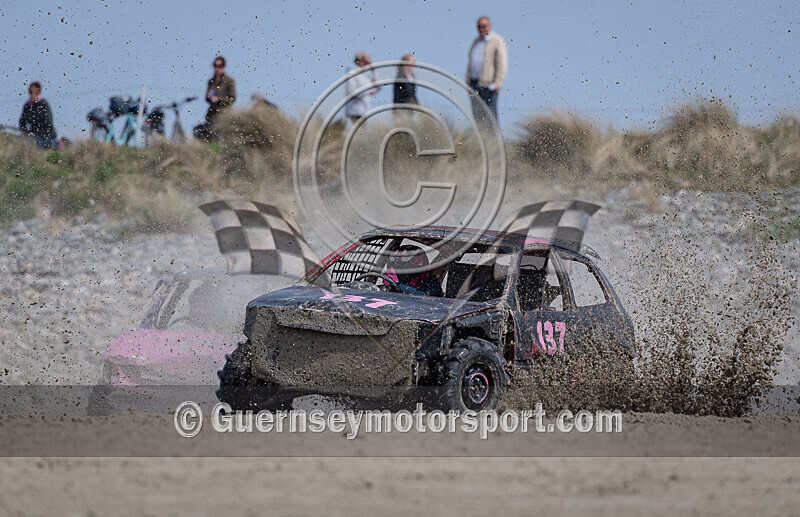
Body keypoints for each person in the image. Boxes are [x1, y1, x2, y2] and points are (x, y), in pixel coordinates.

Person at [466, 16, 508, 124]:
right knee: (477, 116)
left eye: (484, 26)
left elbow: (502, 63)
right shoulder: (476, 41)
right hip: (474, 84)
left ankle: (494, 140)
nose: (481, 29)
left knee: (490, 115)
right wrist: (467, 81)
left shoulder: (497, 40)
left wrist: (498, 82)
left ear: (489, 26)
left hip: (489, 85)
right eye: (479, 26)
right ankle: (481, 139)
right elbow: (470, 61)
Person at [202, 56, 236, 140]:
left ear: (224, 66)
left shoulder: (229, 81)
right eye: (215, 65)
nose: (217, 68)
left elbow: (232, 98)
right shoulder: (211, 81)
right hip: (212, 113)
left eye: (220, 66)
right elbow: (206, 97)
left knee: (227, 138)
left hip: (225, 114)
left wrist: (219, 98)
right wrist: (209, 97)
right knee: (211, 138)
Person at [19, 81, 57, 149]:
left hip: (48, 137)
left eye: (36, 92)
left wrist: (38, 131)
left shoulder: (44, 104)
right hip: (34, 138)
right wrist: (27, 132)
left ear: (39, 93)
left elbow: (48, 121)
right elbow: (22, 122)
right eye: (30, 92)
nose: (33, 94)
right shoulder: (27, 106)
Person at [344, 52, 380, 123]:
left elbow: (379, 85)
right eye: (366, 62)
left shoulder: (365, 74)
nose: (368, 64)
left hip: (364, 109)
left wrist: (374, 71)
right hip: (355, 109)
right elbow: (351, 90)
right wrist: (368, 92)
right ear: (359, 61)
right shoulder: (352, 72)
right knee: (359, 131)